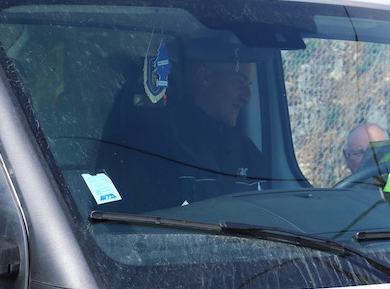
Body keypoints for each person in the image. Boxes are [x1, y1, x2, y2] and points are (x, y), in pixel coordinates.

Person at [98, 34, 267, 212]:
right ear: (206, 76)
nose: (247, 97)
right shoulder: (153, 147)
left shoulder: (248, 152)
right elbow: (147, 223)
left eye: (249, 84)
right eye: (239, 82)